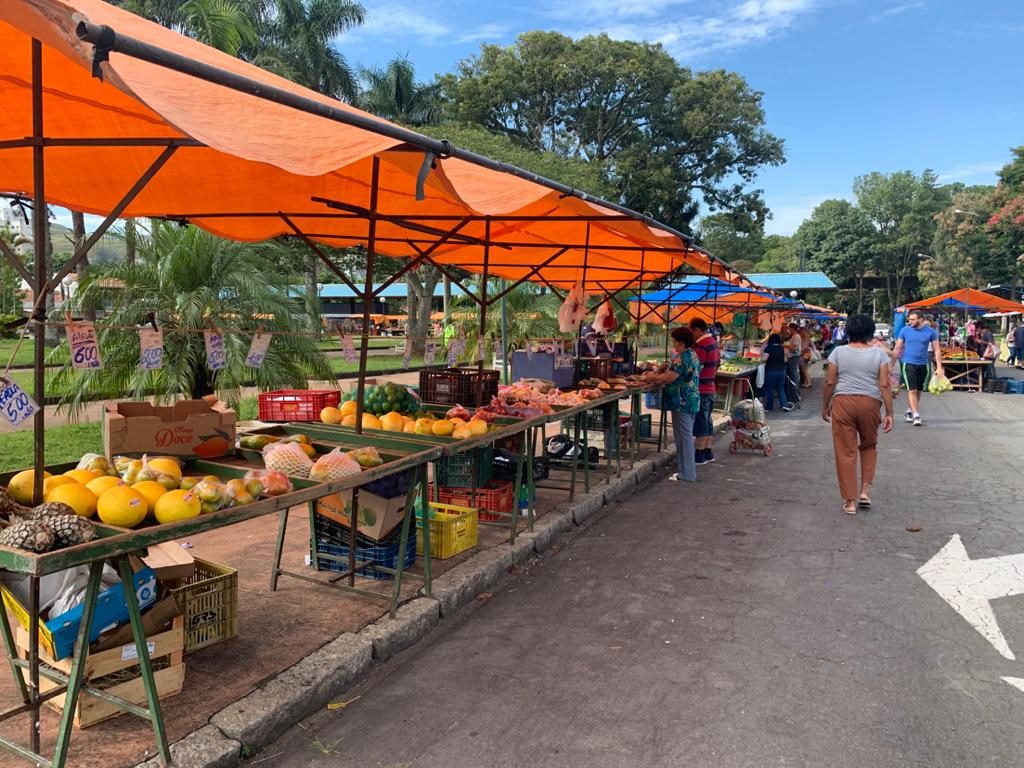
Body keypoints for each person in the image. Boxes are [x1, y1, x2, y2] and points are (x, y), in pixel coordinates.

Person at [822, 314, 895, 515]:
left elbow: (830, 382)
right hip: (870, 403)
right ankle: (864, 492)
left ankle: (850, 502)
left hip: (842, 402)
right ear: (870, 333)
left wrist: (825, 405)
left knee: (845, 451)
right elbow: (884, 384)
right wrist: (889, 412)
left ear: (848, 331)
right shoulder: (879, 355)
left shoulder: (837, 352)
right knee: (869, 445)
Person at [646, 326, 701, 482]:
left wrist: (651, 378)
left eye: (675, 342)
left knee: (684, 438)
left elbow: (668, 378)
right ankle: (684, 471)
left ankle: (687, 473)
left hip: (681, 401)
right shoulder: (693, 355)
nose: (674, 345)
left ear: (682, 343)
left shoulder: (682, 357)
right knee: (685, 436)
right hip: (691, 399)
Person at [892, 311, 943, 426]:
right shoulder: (905, 330)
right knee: (912, 390)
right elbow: (897, 348)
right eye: (909, 319)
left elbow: (937, 349)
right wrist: (891, 365)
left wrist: (939, 367)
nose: (910, 322)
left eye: (913, 320)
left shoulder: (931, 332)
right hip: (908, 363)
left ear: (920, 319)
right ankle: (916, 415)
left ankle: (910, 411)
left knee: (919, 390)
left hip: (924, 364)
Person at [689, 318, 720, 465]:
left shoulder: (702, 345)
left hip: (701, 388)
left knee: (701, 421)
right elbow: (717, 364)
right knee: (707, 420)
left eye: (691, 331)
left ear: (697, 330)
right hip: (710, 386)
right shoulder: (713, 342)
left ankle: (699, 454)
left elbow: (694, 366)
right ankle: (708, 451)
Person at [760, 333, 793, 412]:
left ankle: (769, 407)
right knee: (781, 388)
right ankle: (784, 405)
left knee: (770, 389)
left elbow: (764, 359)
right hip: (782, 371)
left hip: (771, 371)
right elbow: (786, 359)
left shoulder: (769, 348)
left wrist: (762, 352)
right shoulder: (782, 348)